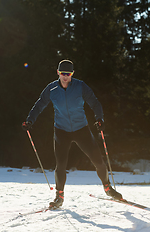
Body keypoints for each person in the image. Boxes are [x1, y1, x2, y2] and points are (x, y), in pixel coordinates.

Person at [22, 60, 123, 208]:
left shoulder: (80, 86)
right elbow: (39, 105)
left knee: (98, 161)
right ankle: (59, 196)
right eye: (62, 74)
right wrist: (30, 120)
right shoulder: (51, 89)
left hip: (81, 129)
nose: (65, 77)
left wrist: (99, 119)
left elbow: (95, 103)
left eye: (68, 74)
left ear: (72, 74)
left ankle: (107, 188)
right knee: (61, 165)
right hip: (61, 131)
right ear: (58, 72)